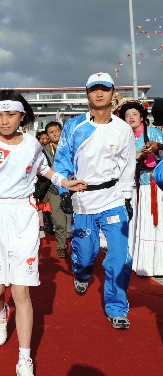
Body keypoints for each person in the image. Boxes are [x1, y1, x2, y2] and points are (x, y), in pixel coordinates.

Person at [0, 90, 86, 376]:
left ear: (22, 117)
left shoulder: (31, 143)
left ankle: (24, 359)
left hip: (23, 215)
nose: (4, 121)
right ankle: (0, 314)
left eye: (10, 115)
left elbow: (44, 169)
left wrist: (65, 181)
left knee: (21, 291)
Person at [54, 72, 136, 330]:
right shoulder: (74, 126)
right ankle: (81, 271)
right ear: (86, 93)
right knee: (86, 251)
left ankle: (117, 307)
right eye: (94, 89)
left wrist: (126, 197)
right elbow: (62, 161)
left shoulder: (122, 128)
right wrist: (65, 191)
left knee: (120, 256)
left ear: (113, 93)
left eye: (105, 89)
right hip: (83, 198)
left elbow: (128, 165)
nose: (99, 93)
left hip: (112, 198)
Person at [119, 101, 163, 277]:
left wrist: (157, 148)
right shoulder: (124, 136)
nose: (130, 117)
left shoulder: (154, 133)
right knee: (139, 222)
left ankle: (159, 264)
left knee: (157, 223)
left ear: (142, 117)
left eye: (134, 114)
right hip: (135, 186)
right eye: (127, 115)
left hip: (156, 184)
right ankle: (142, 262)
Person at [41, 121, 68, 257]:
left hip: (73, 185)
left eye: (57, 130)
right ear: (48, 135)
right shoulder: (43, 150)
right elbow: (40, 169)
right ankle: (61, 246)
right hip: (54, 188)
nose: (55, 134)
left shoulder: (71, 145)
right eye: (52, 132)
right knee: (59, 220)